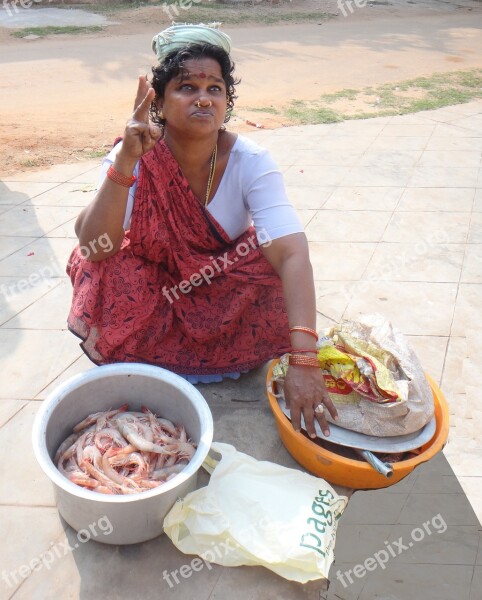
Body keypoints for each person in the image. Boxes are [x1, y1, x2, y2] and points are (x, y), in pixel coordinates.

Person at [68, 23, 337, 438]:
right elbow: (93, 246)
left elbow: (292, 252)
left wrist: (305, 360)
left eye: (215, 88)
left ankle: (227, 357)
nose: (203, 98)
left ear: (227, 100)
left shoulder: (251, 160)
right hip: (158, 284)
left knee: (269, 269)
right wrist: (124, 164)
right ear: (159, 100)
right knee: (108, 269)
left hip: (218, 281)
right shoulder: (136, 152)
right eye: (187, 86)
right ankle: (148, 360)